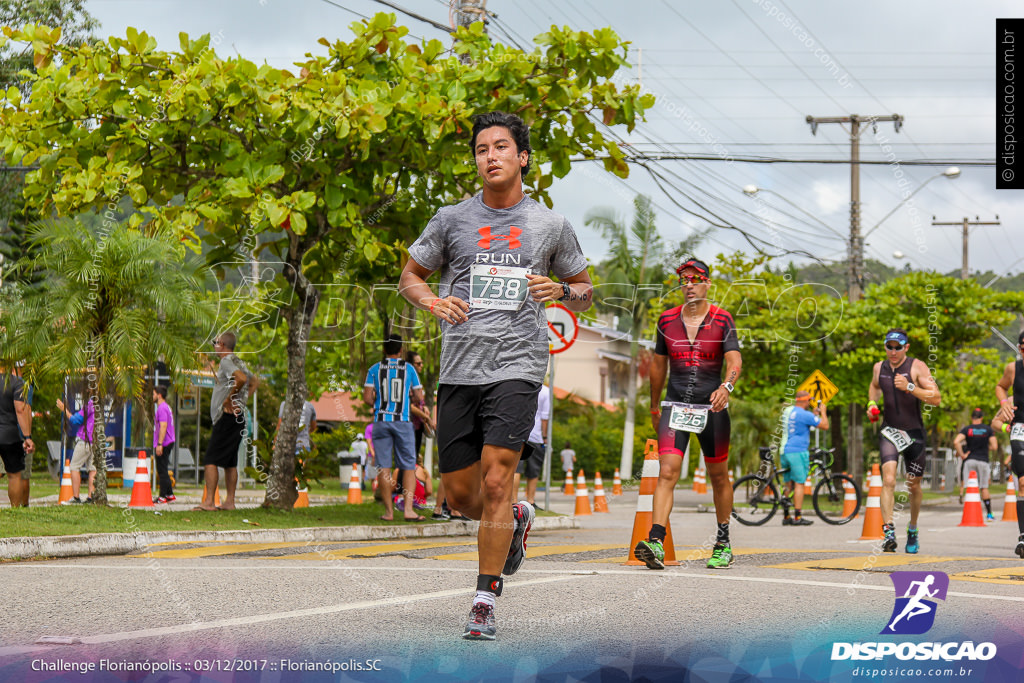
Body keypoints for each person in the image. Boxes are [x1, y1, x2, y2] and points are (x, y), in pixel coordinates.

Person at [399, 110, 593, 640]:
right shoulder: (450, 219)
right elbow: (409, 277)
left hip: (519, 366)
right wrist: (433, 301)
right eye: (482, 149)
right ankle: (519, 517)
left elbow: (584, 288)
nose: (491, 156)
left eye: (501, 147)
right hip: (461, 369)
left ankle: (483, 600)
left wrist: (561, 293)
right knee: (463, 497)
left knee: (496, 478)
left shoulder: (550, 225)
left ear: (522, 157)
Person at [635, 258, 742, 570]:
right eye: (684, 280)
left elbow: (735, 360)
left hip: (713, 408)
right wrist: (655, 406)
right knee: (667, 471)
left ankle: (723, 543)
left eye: (696, 279)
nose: (689, 285)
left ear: (707, 283)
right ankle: (655, 540)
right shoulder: (666, 320)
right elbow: (658, 366)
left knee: (718, 476)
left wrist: (727, 386)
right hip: (675, 406)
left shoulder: (722, 319)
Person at [866, 328, 941, 554]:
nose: (893, 351)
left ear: (906, 347)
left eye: (898, 347)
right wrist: (871, 405)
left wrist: (909, 386)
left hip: (914, 434)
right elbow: (874, 387)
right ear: (885, 347)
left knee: (914, 485)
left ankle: (913, 528)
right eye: (890, 346)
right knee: (888, 479)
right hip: (889, 431)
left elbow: (936, 398)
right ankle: (888, 531)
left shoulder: (917, 367)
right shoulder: (879, 368)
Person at [363, 334, 426, 522]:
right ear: (401, 350)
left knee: (384, 467)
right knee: (407, 466)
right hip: (403, 421)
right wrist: (409, 401)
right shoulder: (409, 369)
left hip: (381, 421)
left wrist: (380, 404)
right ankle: (408, 510)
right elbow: (419, 396)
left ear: (384, 350)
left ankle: (389, 513)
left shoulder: (374, 369)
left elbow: (367, 398)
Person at [196, 331, 256, 511]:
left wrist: (231, 399)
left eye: (216, 342)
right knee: (230, 462)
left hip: (227, 417)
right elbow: (254, 382)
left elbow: (243, 379)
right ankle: (229, 501)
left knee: (210, 459)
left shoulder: (226, 361)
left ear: (222, 344)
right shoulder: (239, 361)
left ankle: (208, 502)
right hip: (237, 418)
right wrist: (241, 402)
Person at [992, 330, 1024, 556]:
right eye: (1023, 346)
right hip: (1020, 429)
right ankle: (1023, 537)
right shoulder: (1013, 368)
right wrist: (1004, 403)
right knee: (1022, 483)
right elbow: (1000, 386)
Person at [778, 391, 830, 526]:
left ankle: (786, 515)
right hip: (798, 451)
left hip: (785, 450)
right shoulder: (804, 414)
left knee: (788, 483)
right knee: (800, 483)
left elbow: (799, 426)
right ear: (803, 401)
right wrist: (823, 412)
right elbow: (825, 425)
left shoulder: (789, 411)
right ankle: (797, 516)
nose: (809, 403)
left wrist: (814, 416)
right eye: (808, 400)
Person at [954, 408, 998, 521]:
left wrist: (962, 454)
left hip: (970, 461)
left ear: (971, 418)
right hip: (983, 461)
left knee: (970, 487)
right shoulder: (988, 429)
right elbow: (995, 446)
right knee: (984, 487)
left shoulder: (967, 429)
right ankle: (989, 514)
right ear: (981, 418)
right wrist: (986, 448)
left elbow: (956, 442)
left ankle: (970, 513)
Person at [0, 363, 33, 507]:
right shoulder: (16, 382)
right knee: (14, 475)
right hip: (9, 435)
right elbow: (21, 410)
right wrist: (27, 437)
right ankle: (15, 508)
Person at [513, 383, 550, 507]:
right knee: (533, 470)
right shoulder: (545, 392)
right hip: (536, 436)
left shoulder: (520, 387)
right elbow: (545, 418)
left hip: (518, 433)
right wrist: (545, 437)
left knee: (516, 470)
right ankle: (530, 500)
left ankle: (513, 500)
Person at [56, 395, 97, 504]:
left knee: (74, 467)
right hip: (96, 441)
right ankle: (91, 498)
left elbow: (75, 420)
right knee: (92, 469)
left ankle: (76, 497)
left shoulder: (90, 404)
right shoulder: (100, 404)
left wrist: (64, 409)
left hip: (85, 440)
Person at [151, 386, 177, 504]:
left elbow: (163, 426)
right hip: (168, 441)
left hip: (164, 442)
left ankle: (162, 496)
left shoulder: (161, 408)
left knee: (162, 470)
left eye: (154, 394)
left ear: (159, 395)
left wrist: (160, 444)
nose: (152, 396)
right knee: (163, 468)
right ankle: (169, 494)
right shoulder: (167, 407)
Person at [276, 392, 317, 456]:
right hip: (303, 445)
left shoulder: (284, 404)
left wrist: (275, 443)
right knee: (301, 465)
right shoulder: (310, 406)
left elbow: (279, 426)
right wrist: (306, 431)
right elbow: (313, 427)